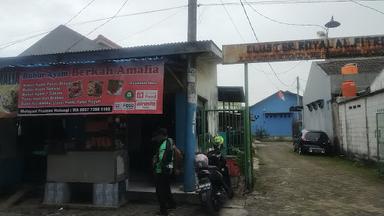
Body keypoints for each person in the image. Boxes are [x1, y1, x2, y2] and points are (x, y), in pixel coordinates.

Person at [152, 128, 176, 216]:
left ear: (161, 135)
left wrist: (156, 162)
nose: (157, 138)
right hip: (167, 169)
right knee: (166, 188)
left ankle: (163, 210)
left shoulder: (164, 145)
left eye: (158, 136)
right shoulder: (170, 141)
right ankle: (172, 204)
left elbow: (163, 159)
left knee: (160, 191)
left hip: (161, 171)